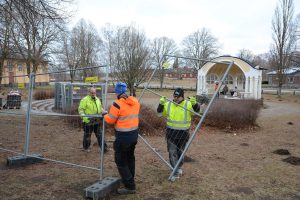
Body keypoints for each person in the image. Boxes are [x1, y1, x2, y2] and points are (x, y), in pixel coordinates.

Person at [104, 82, 140, 195]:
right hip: (133, 136)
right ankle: (129, 179)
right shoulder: (135, 102)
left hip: (123, 138)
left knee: (120, 160)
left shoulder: (117, 104)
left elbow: (110, 120)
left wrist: (104, 114)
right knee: (130, 158)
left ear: (117, 92)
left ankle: (130, 186)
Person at [157, 88, 200, 179]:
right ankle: (174, 169)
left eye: (177, 97)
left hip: (183, 134)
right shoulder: (168, 104)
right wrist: (161, 104)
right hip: (171, 133)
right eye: (174, 96)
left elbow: (197, 113)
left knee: (181, 152)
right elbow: (159, 113)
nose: (175, 98)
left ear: (182, 97)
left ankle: (179, 167)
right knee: (172, 152)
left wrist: (195, 104)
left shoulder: (188, 104)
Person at [78, 87, 108, 153]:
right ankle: (86, 148)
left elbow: (100, 108)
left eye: (94, 92)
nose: (93, 94)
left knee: (100, 134)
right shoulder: (84, 100)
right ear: (88, 92)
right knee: (87, 135)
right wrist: (85, 118)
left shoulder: (97, 99)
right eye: (92, 93)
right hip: (88, 121)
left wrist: (104, 111)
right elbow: (81, 110)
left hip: (97, 120)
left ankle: (104, 149)